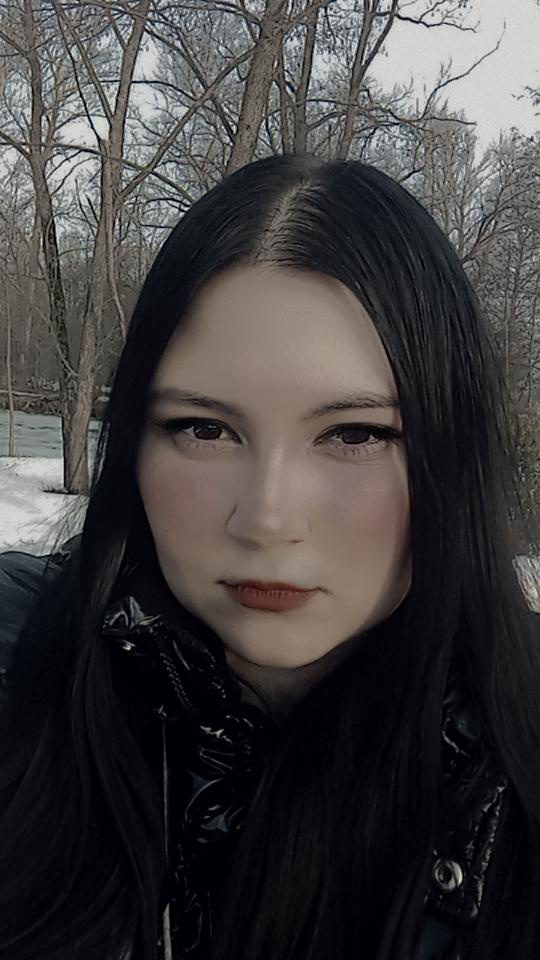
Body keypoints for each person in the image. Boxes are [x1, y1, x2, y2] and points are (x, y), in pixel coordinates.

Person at [0, 153, 538, 960]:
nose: (267, 519)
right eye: (204, 428)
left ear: (449, 455)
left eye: (354, 434)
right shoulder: (19, 665)